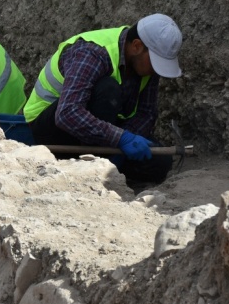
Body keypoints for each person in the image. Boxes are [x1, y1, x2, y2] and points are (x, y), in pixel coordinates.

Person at [24, 13, 183, 186]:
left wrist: (128, 140)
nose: (156, 70)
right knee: (108, 90)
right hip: (52, 127)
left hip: (101, 132)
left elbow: (146, 113)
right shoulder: (92, 53)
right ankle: (86, 165)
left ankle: (105, 164)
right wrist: (120, 139)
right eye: (155, 62)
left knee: (161, 162)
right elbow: (67, 113)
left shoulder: (145, 66)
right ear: (137, 46)